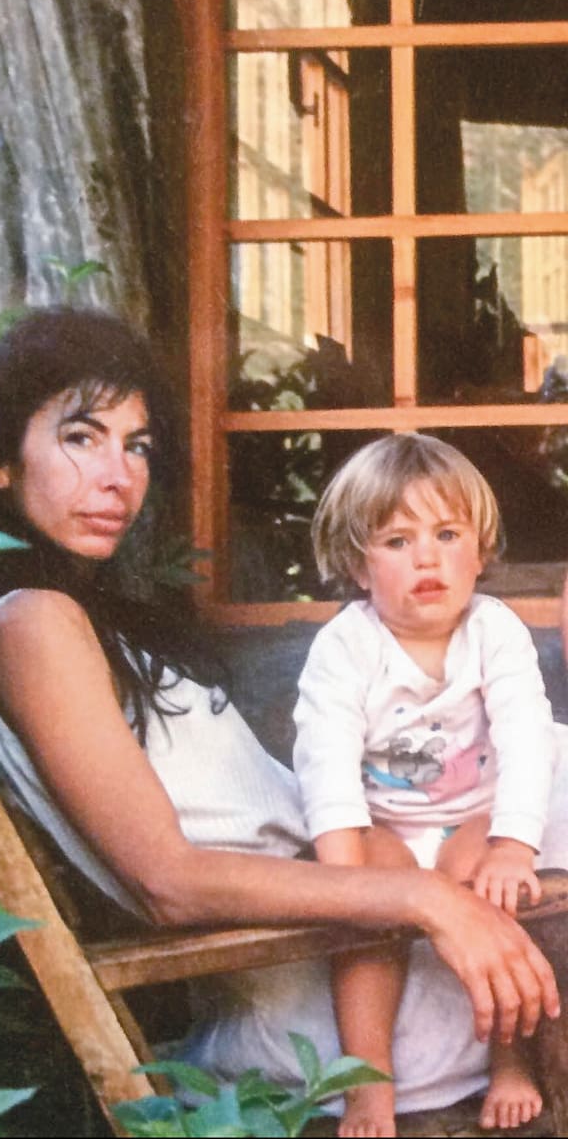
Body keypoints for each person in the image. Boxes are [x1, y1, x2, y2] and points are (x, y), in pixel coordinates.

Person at [0, 306, 564, 1132]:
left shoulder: (59, 617)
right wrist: (430, 900)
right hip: (349, 1001)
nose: (118, 476)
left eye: (137, 445)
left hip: (369, 928)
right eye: (81, 437)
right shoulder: (33, 625)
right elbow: (168, 882)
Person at [294, 432, 562, 1137]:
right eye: (397, 541)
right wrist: (342, 872)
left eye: (447, 534)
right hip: (384, 822)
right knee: (367, 904)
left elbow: (525, 735)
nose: (427, 558)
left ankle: (509, 1060)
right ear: (357, 565)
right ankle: (368, 1084)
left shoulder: (494, 631)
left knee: (493, 884)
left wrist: (512, 841)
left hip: (474, 813)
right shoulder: (345, 648)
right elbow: (323, 758)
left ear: (479, 552)